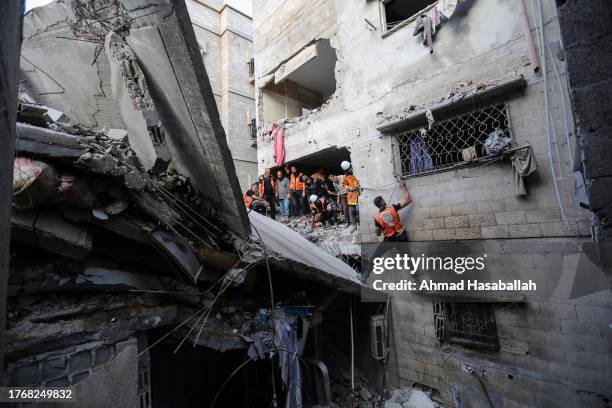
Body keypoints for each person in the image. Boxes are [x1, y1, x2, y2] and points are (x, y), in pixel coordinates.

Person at [341, 161, 360, 229]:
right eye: (348, 169)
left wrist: (357, 185)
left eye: (350, 168)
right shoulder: (345, 176)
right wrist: (349, 188)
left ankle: (358, 222)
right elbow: (344, 185)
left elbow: (358, 181)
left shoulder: (356, 173)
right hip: (351, 196)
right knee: (352, 211)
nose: (350, 169)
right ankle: (354, 225)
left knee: (358, 210)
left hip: (358, 195)